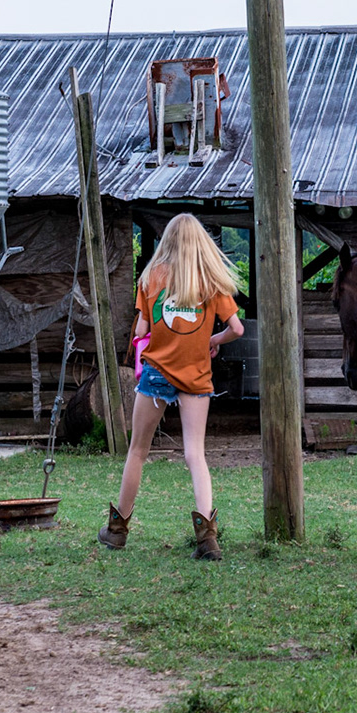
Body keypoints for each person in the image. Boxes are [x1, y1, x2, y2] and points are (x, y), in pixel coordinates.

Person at [99, 213, 243, 559]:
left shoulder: (152, 277)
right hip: (195, 375)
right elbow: (237, 329)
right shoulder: (212, 280)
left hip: (157, 372)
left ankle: (117, 530)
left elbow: (139, 332)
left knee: (137, 450)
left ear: (167, 241)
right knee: (195, 454)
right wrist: (213, 338)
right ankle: (208, 537)